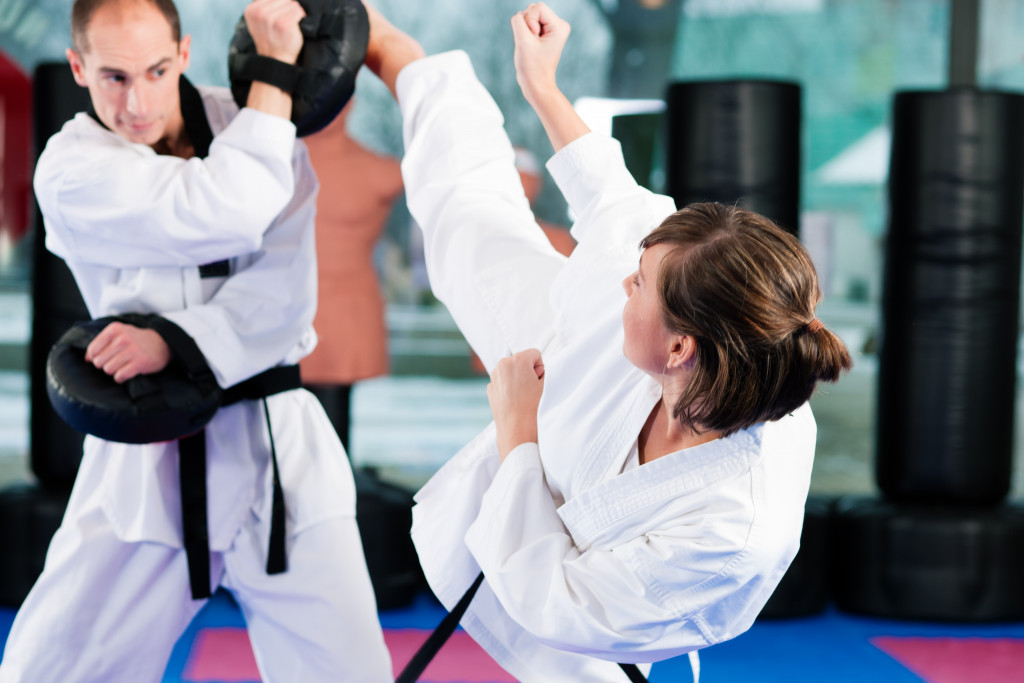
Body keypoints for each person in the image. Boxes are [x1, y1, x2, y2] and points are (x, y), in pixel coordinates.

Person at [363, 2, 851, 681]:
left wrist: (518, 433)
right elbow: (615, 198)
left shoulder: (729, 529)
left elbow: (557, 600)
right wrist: (543, 87)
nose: (628, 277)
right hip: (594, 360)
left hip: (598, 617)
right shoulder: (704, 308)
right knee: (471, 224)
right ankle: (397, 53)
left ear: (679, 348)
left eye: (642, 282)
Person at [0, 0, 392, 681]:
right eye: (113, 78)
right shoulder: (69, 169)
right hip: (147, 463)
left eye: (155, 70)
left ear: (183, 55)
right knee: (49, 668)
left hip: (279, 456)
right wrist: (274, 70)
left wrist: (174, 341)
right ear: (78, 68)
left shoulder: (261, 132)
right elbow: (224, 208)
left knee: (350, 673)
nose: (138, 99)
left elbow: (287, 295)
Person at [300, 100, 404, 453]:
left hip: (342, 321)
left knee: (325, 437)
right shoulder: (274, 162)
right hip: (292, 315)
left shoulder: (379, 172)